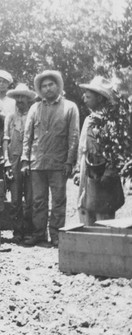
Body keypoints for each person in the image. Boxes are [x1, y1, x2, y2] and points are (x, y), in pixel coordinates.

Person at [21, 70, 79, 247]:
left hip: (59, 163)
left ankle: (56, 235)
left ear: (58, 86)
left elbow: (74, 136)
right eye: (44, 86)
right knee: (38, 201)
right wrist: (25, 160)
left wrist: (70, 161)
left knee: (58, 201)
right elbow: (27, 136)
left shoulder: (70, 107)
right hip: (37, 162)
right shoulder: (35, 108)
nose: (47, 89)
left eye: (50, 85)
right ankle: (39, 234)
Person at [75, 76, 124, 225]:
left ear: (100, 99)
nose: (84, 99)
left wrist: (109, 173)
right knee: (85, 207)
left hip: (104, 172)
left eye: (88, 96)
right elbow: (82, 148)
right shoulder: (89, 119)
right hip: (87, 170)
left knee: (103, 213)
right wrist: (78, 169)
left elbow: (116, 152)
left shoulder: (112, 122)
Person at [3, 84, 36, 243]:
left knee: (30, 198)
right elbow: (5, 140)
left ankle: (29, 231)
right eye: (18, 98)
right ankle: (17, 231)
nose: (20, 100)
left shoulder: (34, 116)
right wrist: (7, 162)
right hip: (14, 159)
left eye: (23, 97)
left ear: (29, 100)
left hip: (30, 160)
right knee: (15, 198)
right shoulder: (10, 117)